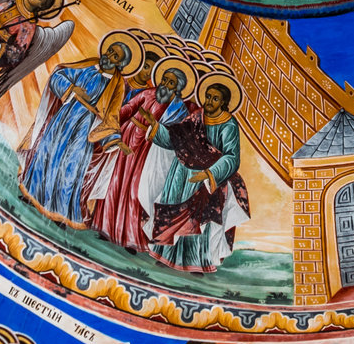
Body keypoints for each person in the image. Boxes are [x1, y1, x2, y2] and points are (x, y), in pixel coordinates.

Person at [18, 38, 132, 229]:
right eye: (110, 51)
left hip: (86, 126)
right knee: (48, 151)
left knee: (71, 166)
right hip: (65, 116)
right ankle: (33, 194)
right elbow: (59, 74)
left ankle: (60, 212)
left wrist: (114, 139)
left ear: (120, 63)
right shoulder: (89, 66)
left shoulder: (117, 85)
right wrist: (72, 89)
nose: (109, 56)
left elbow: (112, 115)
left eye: (115, 56)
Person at [87, 54, 191, 249]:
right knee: (114, 182)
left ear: (178, 88)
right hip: (127, 138)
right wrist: (110, 119)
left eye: (171, 83)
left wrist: (156, 127)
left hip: (149, 150)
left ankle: (131, 237)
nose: (165, 85)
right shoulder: (148, 93)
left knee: (135, 190)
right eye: (164, 80)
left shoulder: (178, 110)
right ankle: (104, 227)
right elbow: (128, 108)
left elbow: (178, 138)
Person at [148, 74, 250, 271]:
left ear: (224, 102)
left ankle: (195, 262)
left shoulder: (229, 125)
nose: (209, 101)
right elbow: (177, 139)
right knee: (172, 210)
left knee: (197, 220)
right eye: (208, 96)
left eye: (215, 98)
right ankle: (165, 254)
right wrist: (156, 128)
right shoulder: (197, 116)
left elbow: (231, 157)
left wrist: (210, 173)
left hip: (206, 179)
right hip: (181, 173)